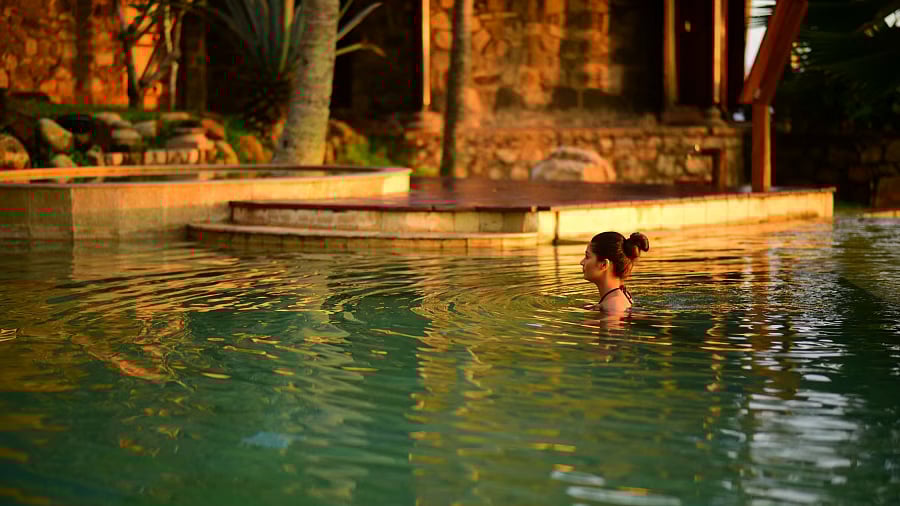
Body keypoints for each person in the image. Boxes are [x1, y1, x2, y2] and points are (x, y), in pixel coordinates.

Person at [581, 231, 650, 313]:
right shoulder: (617, 297)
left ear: (604, 265)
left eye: (587, 257)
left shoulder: (613, 305)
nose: (581, 262)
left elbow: (613, 323)